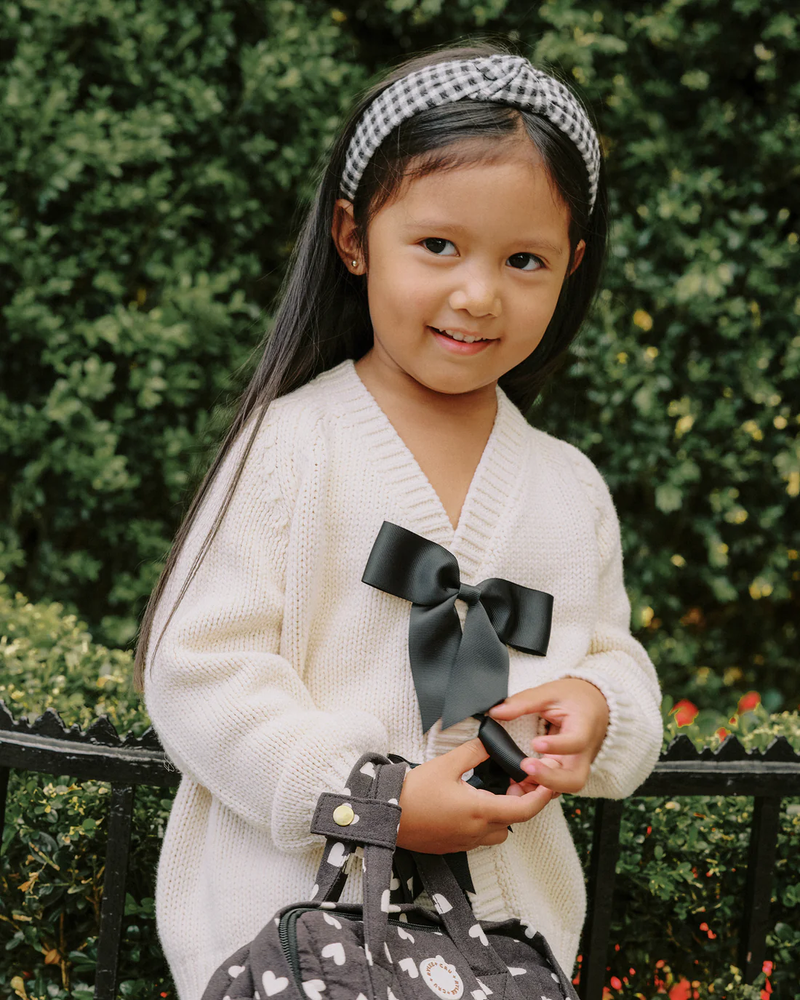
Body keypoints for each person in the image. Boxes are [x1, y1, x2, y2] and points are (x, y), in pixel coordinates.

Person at [135, 41, 663, 1000]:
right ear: (352, 236)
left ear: (571, 267)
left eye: (524, 260)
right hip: (291, 940)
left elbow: (612, 655)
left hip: (506, 950)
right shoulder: (291, 449)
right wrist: (372, 797)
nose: (478, 293)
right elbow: (196, 672)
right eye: (438, 246)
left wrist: (599, 712)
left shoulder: (568, 485)